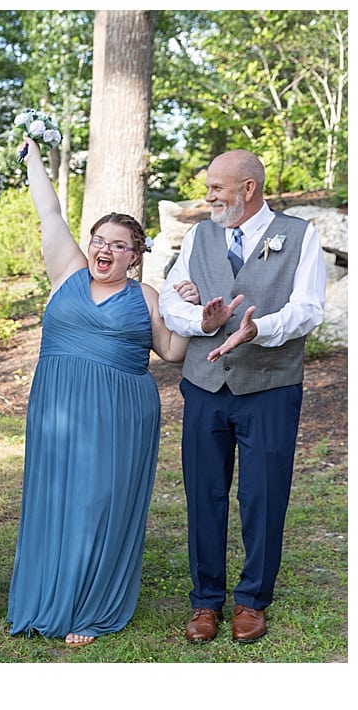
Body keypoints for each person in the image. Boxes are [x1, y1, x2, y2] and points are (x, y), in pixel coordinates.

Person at [6, 137, 228, 648]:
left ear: (135, 255)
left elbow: (170, 352)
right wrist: (34, 157)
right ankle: (47, 595)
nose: (105, 249)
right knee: (55, 497)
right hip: (57, 405)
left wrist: (201, 321)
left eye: (118, 244)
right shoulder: (66, 272)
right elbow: (48, 210)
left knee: (99, 502)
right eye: (99, 240)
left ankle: (92, 605)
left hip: (120, 414)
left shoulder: (147, 296)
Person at [159, 149, 326, 644]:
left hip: (269, 389)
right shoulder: (199, 235)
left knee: (263, 496)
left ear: (248, 189)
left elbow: (309, 308)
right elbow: (170, 298)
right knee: (203, 494)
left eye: (216, 188)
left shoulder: (301, 235)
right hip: (205, 387)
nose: (207, 196)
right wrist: (201, 322)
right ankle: (205, 601)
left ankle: (252, 599)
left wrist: (260, 329)